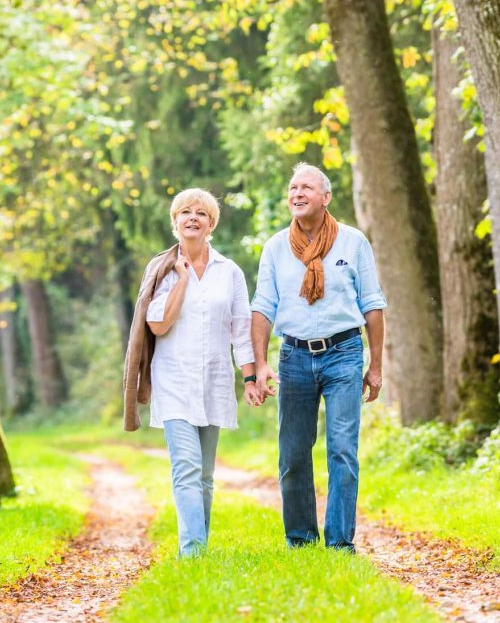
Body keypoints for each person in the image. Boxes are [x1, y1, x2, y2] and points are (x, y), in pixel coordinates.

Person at [251, 163, 386, 552]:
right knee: (293, 452)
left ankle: (340, 543)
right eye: (293, 187)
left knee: (342, 449)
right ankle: (301, 541)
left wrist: (375, 366)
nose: (297, 193)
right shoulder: (276, 247)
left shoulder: (353, 242)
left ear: (325, 198)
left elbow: (373, 304)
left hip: (344, 353)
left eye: (306, 187)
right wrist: (260, 364)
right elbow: (262, 307)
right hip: (293, 355)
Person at [123, 188, 260, 557]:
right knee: (186, 468)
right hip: (174, 381)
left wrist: (250, 378)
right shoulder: (162, 271)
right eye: (185, 212)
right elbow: (158, 325)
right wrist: (182, 280)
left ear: (211, 224)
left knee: (204, 477)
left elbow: (240, 329)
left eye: (201, 213)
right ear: (175, 222)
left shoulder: (229, 272)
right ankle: (193, 552)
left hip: (214, 381)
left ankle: (200, 546)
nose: (193, 218)